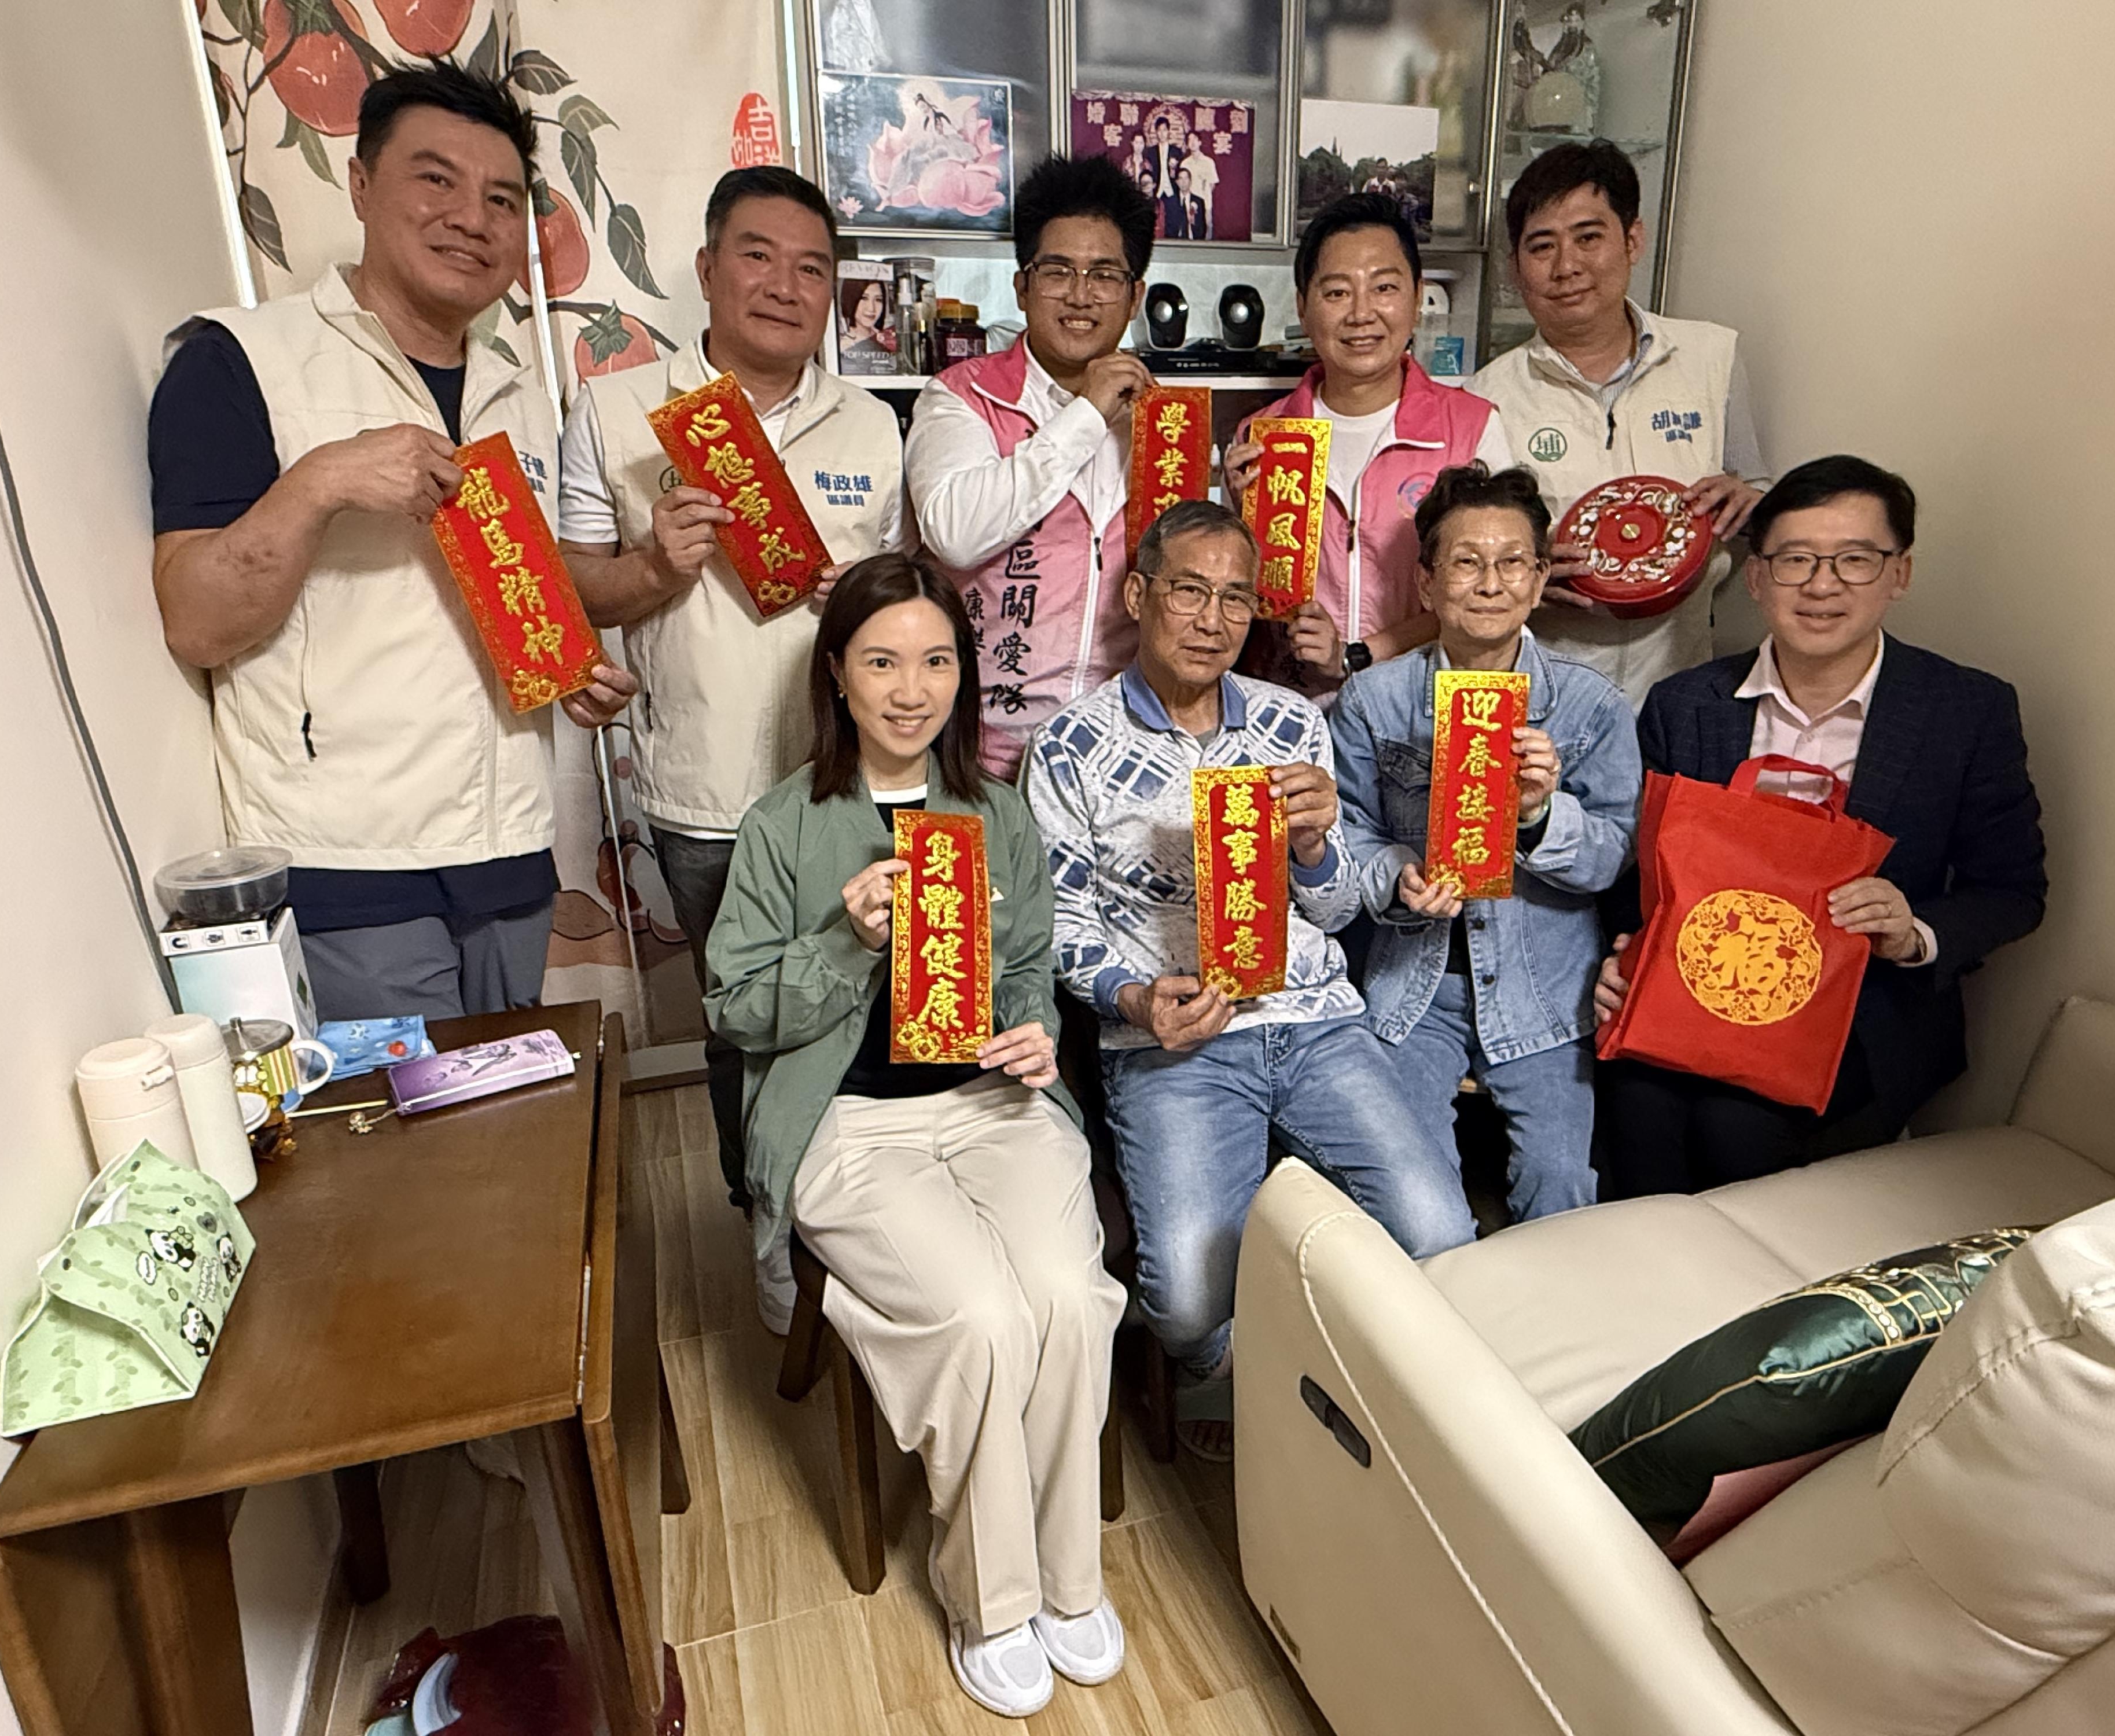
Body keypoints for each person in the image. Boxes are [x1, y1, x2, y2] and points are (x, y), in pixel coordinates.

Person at [703, 554, 1127, 1719]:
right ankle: (992, 1599)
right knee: (982, 1318)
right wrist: (843, 941)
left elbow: (1028, 970)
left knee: (1066, 1297)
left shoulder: (994, 812)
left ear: (963, 677)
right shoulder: (784, 825)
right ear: (836, 676)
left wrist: (1033, 1034)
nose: (910, 689)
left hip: (991, 1105)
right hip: (849, 1123)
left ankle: (1069, 1583)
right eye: (882, 662)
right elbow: (734, 1010)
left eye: (936, 661)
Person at [148, 61, 633, 1023]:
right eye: (435, 179)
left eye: (502, 199)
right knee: (405, 1122)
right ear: (363, 186)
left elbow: (492, 594)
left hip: (508, 848)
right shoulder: (241, 361)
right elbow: (197, 621)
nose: (472, 218)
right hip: (351, 862)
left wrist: (564, 667)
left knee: (514, 1109)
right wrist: (322, 482)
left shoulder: (516, 392)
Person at [1024, 499, 1477, 1452]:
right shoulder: (1070, 744)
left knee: (1441, 1232)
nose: (1213, 619)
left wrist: (1315, 847)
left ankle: (1350, 1395)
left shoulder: (1290, 720)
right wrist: (1133, 998)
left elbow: (1335, 909)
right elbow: (1060, 923)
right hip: (1172, 1041)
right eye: (1189, 591)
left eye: (1235, 598)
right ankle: (1264, 1388)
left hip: (1314, 1022)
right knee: (1187, 1305)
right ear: (1139, 595)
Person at [561, 165, 903, 1205]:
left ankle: (856, 1212)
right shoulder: (619, 409)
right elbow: (575, 587)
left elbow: (902, 604)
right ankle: (759, 1214)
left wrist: (868, 598)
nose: (785, 286)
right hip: (704, 793)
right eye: (758, 256)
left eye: (812, 268)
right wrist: (654, 566)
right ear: (709, 269)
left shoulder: (870, 422)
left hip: (845, 785)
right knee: (743, 1017)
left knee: (863, 999)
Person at [1593, 456, 2048, 1190]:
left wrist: (1912, 932)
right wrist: (1622, 960)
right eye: (1795, 560)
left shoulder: (1965, 711)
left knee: (1736, 1127)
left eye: (1854, 560)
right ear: (1756, 577)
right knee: (1638, 1103)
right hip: (1696, 991)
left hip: (1866, 1010)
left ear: (1899, 573)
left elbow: (2012, 890)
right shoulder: (1686, 704)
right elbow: (1630, 872)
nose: (1822, 585)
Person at [1333, 465, 1640, 1222]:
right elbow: (1347, 833)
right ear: (1427, 583)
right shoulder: (1373, 699)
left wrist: (1537, 815)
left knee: (1560, 1184)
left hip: (1547, 983)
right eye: (1467, 562)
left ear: (1539, 582)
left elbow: (1614, 853)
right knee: (1409, 1196)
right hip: (1414, 982)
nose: (1491, 583)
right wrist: (1397, 876)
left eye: (1512, 563)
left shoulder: (1591, 704)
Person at [1466, 139, 1774, 708]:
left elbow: (1760, 508)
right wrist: (1520, 575)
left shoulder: (1712, 358)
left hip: (1681, 688)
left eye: (1588, 238)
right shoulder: (1485, 398)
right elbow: (1470, 560)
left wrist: (1752, 502)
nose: (1566, 267)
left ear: (1633, 240)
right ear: (1515, 267)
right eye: (1542, 247)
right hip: (1548, 698)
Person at [907, 154, 1165, 779]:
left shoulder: (1165, 421)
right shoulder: (960, 397)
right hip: (977, 760)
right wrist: (1087, 414)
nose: (1080, 295)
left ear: (1134, 297)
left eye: (1104, 275)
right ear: (1022, 287)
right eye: (1058, 271)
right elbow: (955, 533)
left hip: (1122, 761)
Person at [1224, 193, 1518, 700]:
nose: (1362, 313)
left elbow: (1492, 597)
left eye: (1384, 287)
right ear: (1303, 307)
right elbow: (1243, 599)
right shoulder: (1263, 437)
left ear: (1417, 297)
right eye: (1337, 292)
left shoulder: (1472, 429)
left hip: (1425, 707)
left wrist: (1359, 653)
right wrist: (1237, 527)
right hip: (1295, 711)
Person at [1167, 163, 1209, 241]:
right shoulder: (1171, 202)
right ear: (1177, 182)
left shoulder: (1199, 202)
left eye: (1186, 178)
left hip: (1194, 241)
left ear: (1190, 181)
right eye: (1181, 179)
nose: (1184, 182)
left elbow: (1202, 226)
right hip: (1175, 242)